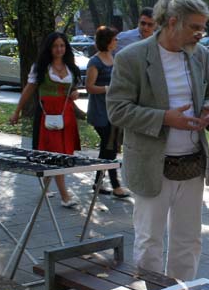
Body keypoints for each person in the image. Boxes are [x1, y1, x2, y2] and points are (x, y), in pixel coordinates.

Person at [107, 0, 209, 281]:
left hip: (192, 165)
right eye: (194, 27)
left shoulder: (200, 55)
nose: (200, 34)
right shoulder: (132, 57)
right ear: (172, 22)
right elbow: (117, 110)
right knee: (149, 241)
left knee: (188, 241)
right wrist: (164, 119)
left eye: (203, 28)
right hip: (151, 165)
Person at [9, 32, 82, 208]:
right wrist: (17, 111)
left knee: (61, 152)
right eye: (55, 46)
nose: (59, 49)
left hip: (66, 115)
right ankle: (65, 196)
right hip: (48, 115)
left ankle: (46, 186)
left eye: (62, 45)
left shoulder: (70, 67)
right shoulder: (40, 67)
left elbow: (74, 89)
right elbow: (28, 89)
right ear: (49, 48)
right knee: (56, 153)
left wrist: (75, 93)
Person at [85, 26, 130, 199]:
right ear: (107, 41)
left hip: (113, 111)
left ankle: (98, 182)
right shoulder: (95, 62)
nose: (117, 41)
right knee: (109, 147)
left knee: (108, 148)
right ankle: (115, 186)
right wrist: (108, 89)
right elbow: (89, 87)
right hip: (99, 112)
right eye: (114, 38)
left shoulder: (114, 58)